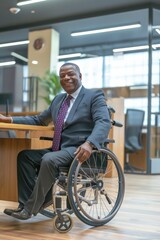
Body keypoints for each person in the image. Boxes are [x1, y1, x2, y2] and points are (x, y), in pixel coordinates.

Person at [0, 62, 111, 220]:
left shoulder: (94, 96)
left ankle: (30, 209)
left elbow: (103, 122)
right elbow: (38, 120)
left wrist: (90, 143)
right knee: (25, 157)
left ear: (80, 76)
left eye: (70, 74)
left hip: (80, 150)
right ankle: (27, 204)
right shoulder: (59, 100)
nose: (66, 77)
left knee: (49, 159)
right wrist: (9, 119)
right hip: (60, 149)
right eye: (62, 75)